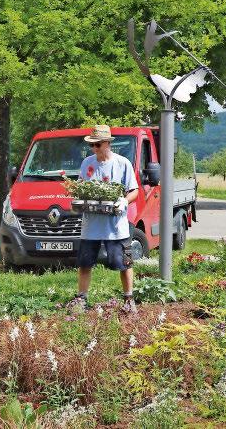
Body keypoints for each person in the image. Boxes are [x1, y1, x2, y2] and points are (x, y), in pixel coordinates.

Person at [72, 125, 139, 313]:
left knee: (124, 264)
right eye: (92, 145)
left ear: (108, 143)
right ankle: (82, 299)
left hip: (115, 226)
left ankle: (128, 300)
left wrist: (124, 201)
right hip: (91, 225)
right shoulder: (87, 163)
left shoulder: (122, 163)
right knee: (85, 263)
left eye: (97, 144)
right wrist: (77, 201)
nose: (94, 148)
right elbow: (80, 188)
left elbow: (134, 191)